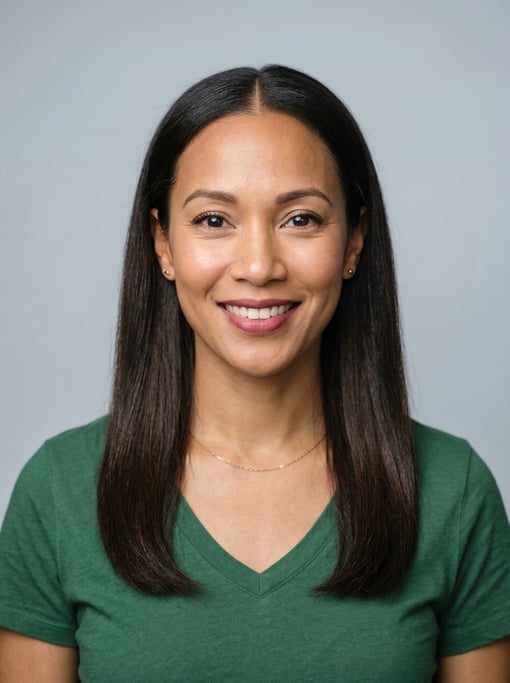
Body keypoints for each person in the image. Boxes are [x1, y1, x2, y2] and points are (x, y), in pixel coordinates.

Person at [0, 65, 509, 682]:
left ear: (353, 242)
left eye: (301, 219)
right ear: (162, 243)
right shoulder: (59, 491)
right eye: (214, 220)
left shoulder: (453, 492)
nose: (259, 265)